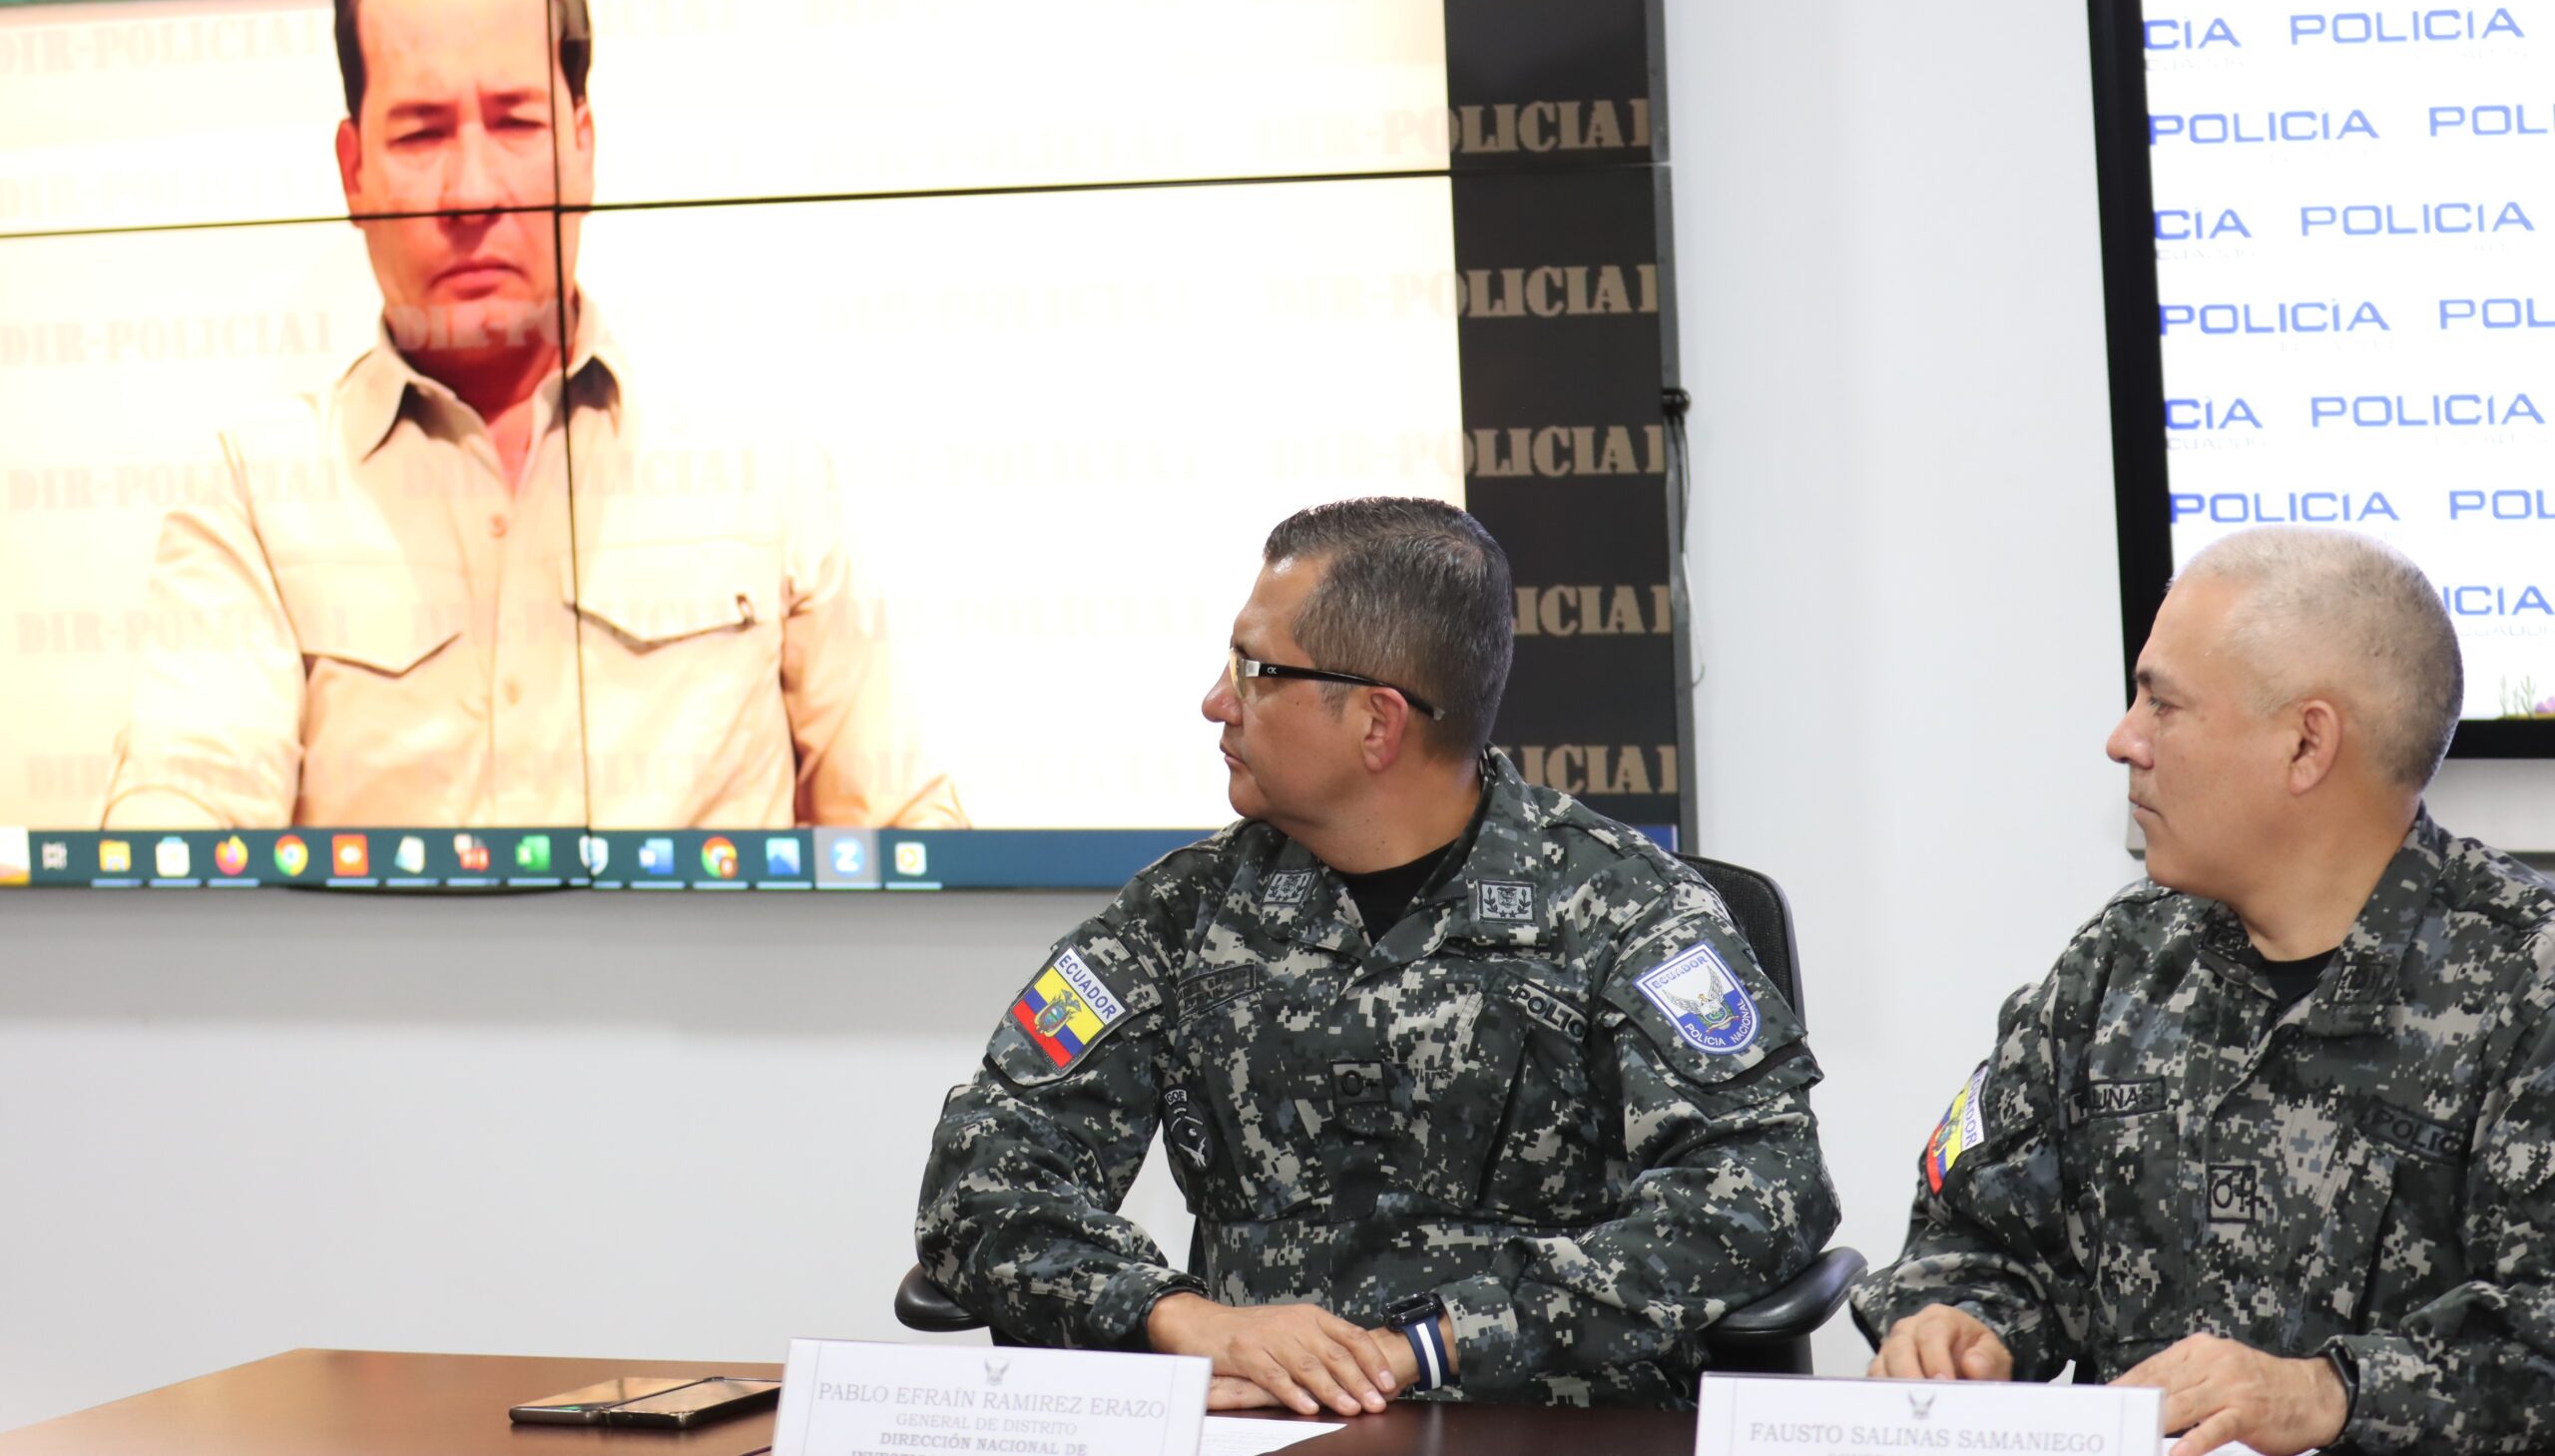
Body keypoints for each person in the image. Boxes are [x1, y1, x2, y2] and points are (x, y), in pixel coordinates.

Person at [916, 498, 1836, 1412]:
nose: (1216, 701)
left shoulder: (1624, 904)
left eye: (1255, 669)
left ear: (1377, 723)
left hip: (1539, 1426)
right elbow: (980, 1177)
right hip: (1252, 1425)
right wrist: (1177, 1316)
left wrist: (1432, 1345)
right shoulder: (1184, 909)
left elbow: (1765, 1187)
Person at [100, 0, 960, 831]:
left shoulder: (766, 483)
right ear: (352, 171)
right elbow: (178, 838)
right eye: (421, 133)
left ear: (583, 143)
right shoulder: (256, 496)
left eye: (515, 123)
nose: (473, 190)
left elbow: (910, 843)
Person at [1854, 528, 2555, 1456]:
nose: (2123, 739)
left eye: (2163, 703)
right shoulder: (2123, 958)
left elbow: (2539, 1345)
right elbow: (1974, 1234)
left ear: (2307, 743)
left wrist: (2331, 1392)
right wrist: (1960, 1327)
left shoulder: (2526, 985)